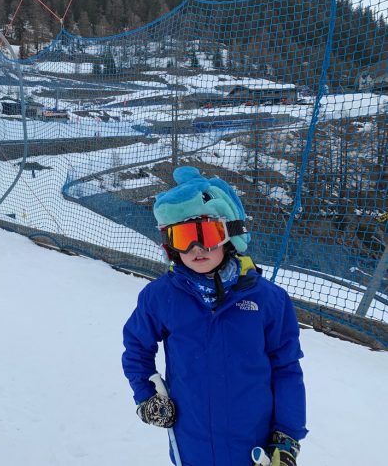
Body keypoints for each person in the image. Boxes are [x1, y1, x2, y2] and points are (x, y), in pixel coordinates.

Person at [122, 166, 307, 466]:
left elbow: (286, 367)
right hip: (192, 444)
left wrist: (287, 435)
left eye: (206, 234)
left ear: (229, 235)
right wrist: (146, 395)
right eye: (183, 237)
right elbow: (136, 348)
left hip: (253, 446)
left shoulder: (269, 300)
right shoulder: (160, 297)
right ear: (171, 246)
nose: (196, 248)